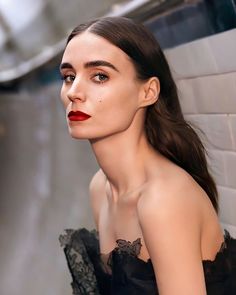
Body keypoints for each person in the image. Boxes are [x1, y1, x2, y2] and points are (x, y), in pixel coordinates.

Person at [58, 16, 236, 295]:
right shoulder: (101, 188)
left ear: (148, 91)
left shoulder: (163, 199)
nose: (74, 92)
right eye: (69, 77)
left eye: (100, 76)